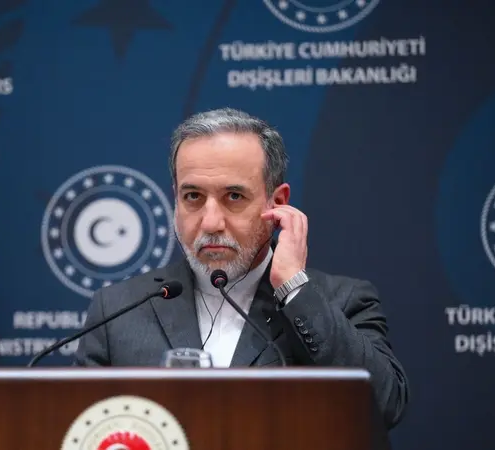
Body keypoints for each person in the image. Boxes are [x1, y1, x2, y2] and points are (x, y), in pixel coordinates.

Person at [73, 107, 409, 429]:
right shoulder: (116, 310)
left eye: (234, 196)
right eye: (193, 197)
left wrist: (294, 290)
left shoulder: (342, 301)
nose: (211, 222)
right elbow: (81, 429)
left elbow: (383, 407)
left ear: (277, 203)